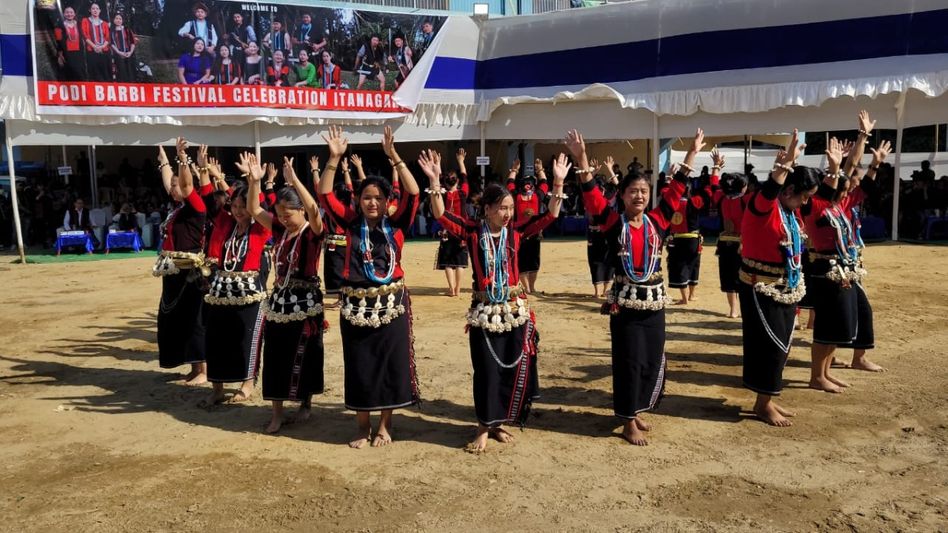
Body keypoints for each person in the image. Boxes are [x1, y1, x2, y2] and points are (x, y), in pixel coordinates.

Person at [420, 149, 568, 453]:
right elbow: (440, 215)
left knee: (509, 368)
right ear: (487, 209)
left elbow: (549, 215)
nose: (508, 213)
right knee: (486, 369)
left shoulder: (516, 233)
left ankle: (499, 422)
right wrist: (435, 181)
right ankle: (483, 426)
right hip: (485, 310)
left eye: (510, 208)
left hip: (514, 310)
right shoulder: (472, 233)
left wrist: (558, 183)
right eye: (502, 208)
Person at [567, 128, 702, 446]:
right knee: (628, 360)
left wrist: (693, 152)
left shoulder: (658, 220)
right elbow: (591, 195)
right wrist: (581, 158)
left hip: (654, 301)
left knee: (651, 358)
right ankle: (627, 419)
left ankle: (637, 409)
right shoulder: (614, 223)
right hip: (626, 303)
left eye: (643, 191)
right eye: (633, 192)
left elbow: (677, 187)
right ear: (623, 195)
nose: (639, 196)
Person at [317, 125, 421, 449]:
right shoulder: (349, 222)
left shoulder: (398, 222)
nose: (372, 202)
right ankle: (362, 426)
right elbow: (324, 195)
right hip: (357, 305)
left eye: (378, 198)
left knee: (389, 364)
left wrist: (394, 156)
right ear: (359, 200)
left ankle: (385, 426)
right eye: (366, 197)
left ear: (387, 200)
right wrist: (334, 158)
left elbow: (414, 193)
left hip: (392, 303)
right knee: (360, 365)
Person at [739, 129, 818, 427]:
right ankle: (763, 403)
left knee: (783, 343)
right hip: (761, 285)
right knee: (769, 344)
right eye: (804, 198)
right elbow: (769, 193)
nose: (805, 204)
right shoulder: (764, 207)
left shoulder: (788, 213)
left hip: (786, 285)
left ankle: (768, 398)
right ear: (788, 191)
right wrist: (782, 168)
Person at [801, 111, 878, 393]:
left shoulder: (841, 206)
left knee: (838, 325)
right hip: (824, 270)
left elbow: (852, 167)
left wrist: (863, 136)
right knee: (828, 326)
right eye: (843, 188)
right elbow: (842, 175)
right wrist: (835, 167)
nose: (848, 191)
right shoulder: (815, 206)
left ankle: (824, 373)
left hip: (844, 268)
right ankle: (816, 376)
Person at [201, 151, 271, 406]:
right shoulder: (225, 224)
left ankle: (247, 384)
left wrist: (254, 181)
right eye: (235, 206)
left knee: (246, 339)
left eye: (244, 207)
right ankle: (217, 388)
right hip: (221, 291)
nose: (240, 211)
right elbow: (209, 201)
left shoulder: (261, 227)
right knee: (217, 338)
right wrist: (203, 171)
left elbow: (258, 203)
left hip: (250, 291)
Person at [152, 140, 209, 385]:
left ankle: (203, 370)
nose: (172, 188)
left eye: (177, 185)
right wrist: (164, 160)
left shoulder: (195, 206)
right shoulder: (177, 208)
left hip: (190, 273)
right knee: (176, 318)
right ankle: (194, 368)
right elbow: (171, 182)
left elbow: (184, 185)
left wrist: (182, 158)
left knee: (194, 319)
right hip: (173, 272)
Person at [839, 140, 892, 372]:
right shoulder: (837, 200)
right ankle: (853, 358)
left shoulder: (851, 199)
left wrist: (875, 165)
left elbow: (867, 184)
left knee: (839, 312)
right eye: (855, 180)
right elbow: (849, 168)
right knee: (858, 310)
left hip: (848, 262)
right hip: (835, 264)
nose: (858, 185)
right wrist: (862, 137)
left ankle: (852, 357)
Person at [665, 151, 719, 305]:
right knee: (693, 264)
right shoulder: (694, 202)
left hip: (676, 239)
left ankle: (684, 297)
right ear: (689, 190)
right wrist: (715, 168)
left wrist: (670, 177)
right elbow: (710, 192)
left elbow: (666, 191)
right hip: (693, 239)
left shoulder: (671, 203)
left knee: (679, 266)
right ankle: (692, 295)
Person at [712, 149, 748, 318]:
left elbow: (713, 185)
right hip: (743, 243)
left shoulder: (721, 197)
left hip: (725, 242)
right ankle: (741, 309)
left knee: (728, 277)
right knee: (744, 276)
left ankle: (733, 310)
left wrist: (716, 166)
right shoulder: (746, 199)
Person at [506, 159, 549, 294]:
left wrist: (514, 169)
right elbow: (544, 184)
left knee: (524, 261)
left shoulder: (516, 196)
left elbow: (509, 183)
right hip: (532, 232)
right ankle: (531, 287)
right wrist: (540, 169)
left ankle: (527, 288)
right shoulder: (537, 196)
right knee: (533, 261)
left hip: (520, 232)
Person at [434, 148, 471, 297]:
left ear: (445, 182)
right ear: (457, 181)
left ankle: (451, 288)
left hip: (446, 229)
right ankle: (458, 288)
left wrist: (438, 164)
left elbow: (436, 183)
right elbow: (465, 177)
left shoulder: (442, 194)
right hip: (461, 229)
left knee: (448, 262)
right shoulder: (463, 193)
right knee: (460, 261)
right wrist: (461, 161)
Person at [587, 156, 620, 298]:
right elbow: (586, 186)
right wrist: (592, 173)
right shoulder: (590, 199)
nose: (599, 190)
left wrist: (610, 170)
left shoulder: (609, 199)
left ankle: (607, 289)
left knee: (610, 261)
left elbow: (619, 187)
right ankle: (597, 292)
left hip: (609, 233)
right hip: (594, 234)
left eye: (601, 187)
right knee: (595, 261)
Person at [54, 6, 85, 81]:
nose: (69, 14)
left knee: (78, 70)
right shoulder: (60, 25)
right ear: (64, 14)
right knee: (68, 71)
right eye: (67, 12)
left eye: (71, 12)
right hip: (66, 52)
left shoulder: (79, 24)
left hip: (78, 52)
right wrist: (60, 54)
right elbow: (58, 40)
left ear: (74, 14)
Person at [81, 3, 111, 82]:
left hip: (104, 50)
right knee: (93, 73)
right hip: (91, 50)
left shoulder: (104, 23)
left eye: (97, 8)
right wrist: (95, 46)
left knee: (105, 73)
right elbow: (84, 35)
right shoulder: (85, 21)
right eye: (93, 8)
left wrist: (101, 47)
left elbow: (108, 38)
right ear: (90, 10)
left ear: (100, 11)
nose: (95, 10)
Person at [110, 13, 137, 83]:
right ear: (113, 20)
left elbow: (132, 42)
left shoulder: (127, 30)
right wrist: (119, 52)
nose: (118, 20)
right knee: (121, 73)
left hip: (129, 54)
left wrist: (130, 52)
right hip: (118, 55)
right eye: (116, 18)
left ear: (122, 20)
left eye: (120, 19)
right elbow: (112, 43)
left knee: (130, 73)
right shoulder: (111, 31)